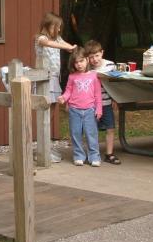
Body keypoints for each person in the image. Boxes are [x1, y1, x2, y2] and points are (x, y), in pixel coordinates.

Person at [35, 12, 76, 158]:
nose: (59, 30)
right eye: (57, 27)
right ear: (49, 25)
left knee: (50, 113)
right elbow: (50, 44)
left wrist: (71, 47)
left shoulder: (57, 38)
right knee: (45, 113)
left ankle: (45, 147)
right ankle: (42, 150)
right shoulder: (41, 38)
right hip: (44, 80)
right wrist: (66, 47)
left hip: (53, 78)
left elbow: (62, 43)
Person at [58, 47, 103, 166]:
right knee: (76, 133)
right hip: (74, 110)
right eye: (76, 62)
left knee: (91, 134)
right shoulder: (72, 76)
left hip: (90, 110)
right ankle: (79, 155)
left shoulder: (94, 76)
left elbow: (98, 95)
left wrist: (99, 109)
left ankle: (94, 156)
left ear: (87, 60)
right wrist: (64, 98)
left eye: (81, 61)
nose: (79, 64)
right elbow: (68, 91)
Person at [84, 40, 120, 164]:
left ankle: (109, 153)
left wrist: (115, 98)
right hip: (91, 105)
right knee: (91, 129)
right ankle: (92, 153)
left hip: (107, 103)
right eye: (91, 57)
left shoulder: (110, 65)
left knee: (110, 128)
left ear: (102, 53)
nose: (94, 59)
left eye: (97, 55)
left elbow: (115, 85)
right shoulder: (86, 68)